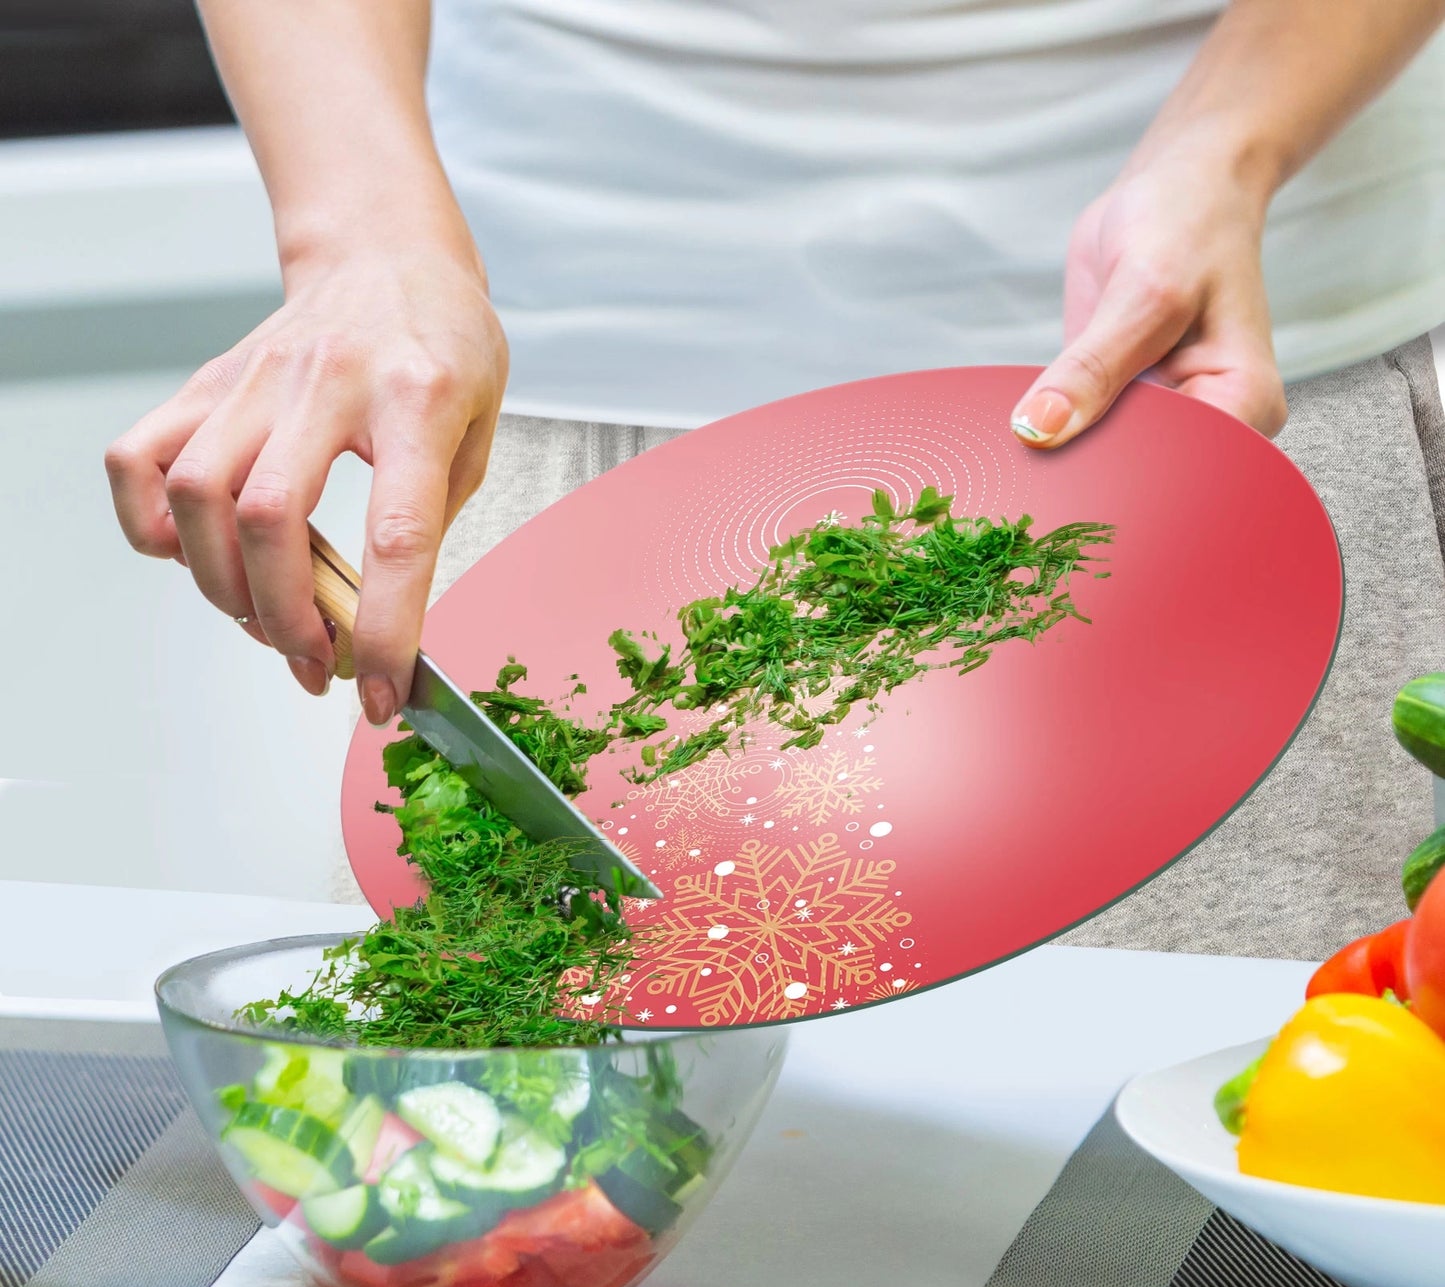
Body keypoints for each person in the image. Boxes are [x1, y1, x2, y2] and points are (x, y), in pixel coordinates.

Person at [106, 0, 1445, 957]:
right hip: (535, 393)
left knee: (1209, 1231)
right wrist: (357, 237)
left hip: (1200, 378)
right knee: (566, 1182)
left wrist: (1232, 148)